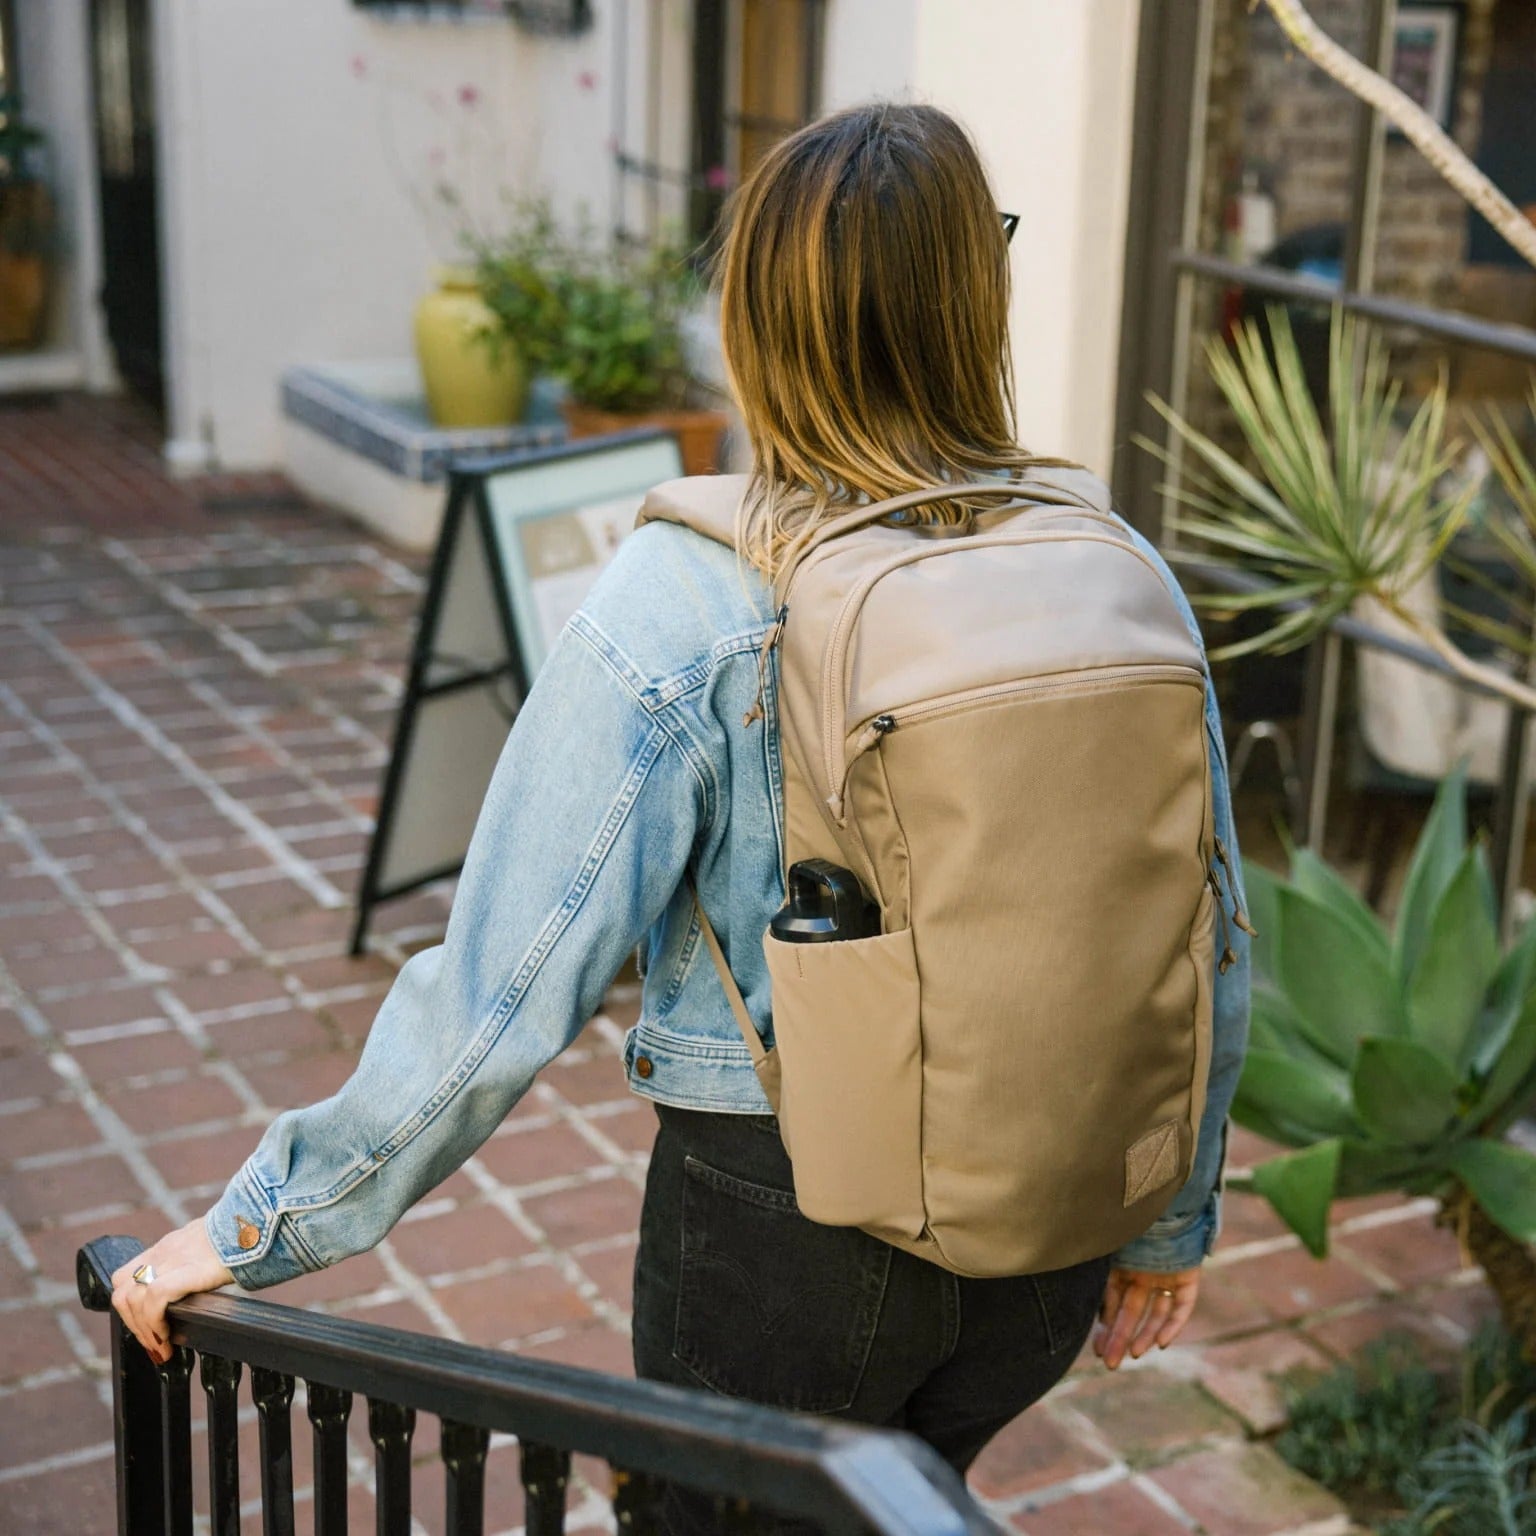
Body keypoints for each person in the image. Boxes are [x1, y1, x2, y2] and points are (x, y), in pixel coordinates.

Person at [112, 101, 1249, 1517]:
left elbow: (503, 983)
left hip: (794, 1232)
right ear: (979, 296)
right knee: (905, 1495)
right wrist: (1173, 1214)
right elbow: (1202, 926)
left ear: (756, 316)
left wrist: (262, 1224)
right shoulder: (1113, 564)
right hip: (1057, 1221)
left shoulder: (696, 592)